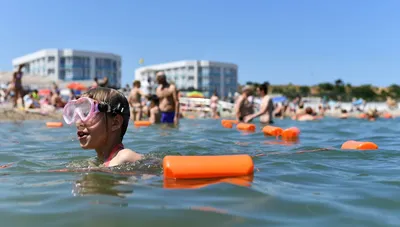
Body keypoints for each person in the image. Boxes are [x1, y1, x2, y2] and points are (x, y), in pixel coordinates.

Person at [62, 87, 143, 167]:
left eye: (87, 113)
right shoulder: (97, 162)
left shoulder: (125, 157)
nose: (78, 122)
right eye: (78, 115)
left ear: (115, 122)